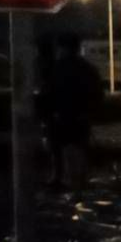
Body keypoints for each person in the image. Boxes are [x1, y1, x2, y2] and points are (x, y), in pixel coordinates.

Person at [38, 36, 102, 189]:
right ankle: (80, 179)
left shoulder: (56, 68)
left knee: (57, 147)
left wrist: (47, 113)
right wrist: (89, 112)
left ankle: (59, 177)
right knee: (79, 147)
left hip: (60, 115)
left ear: (63, 48)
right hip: (79, 116)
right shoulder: (88, 69)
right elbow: (97, 94)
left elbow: (48, 92)